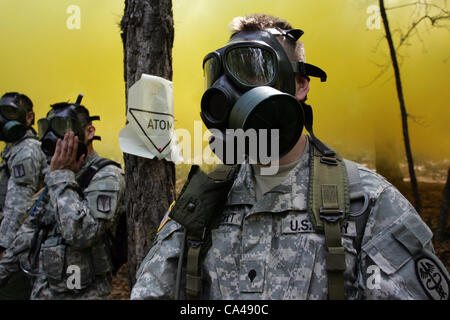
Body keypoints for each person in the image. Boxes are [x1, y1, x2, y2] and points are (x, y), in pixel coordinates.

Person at [131, 14, 449, 300]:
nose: (229, 90)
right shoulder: (201, 201)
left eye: (252, 69)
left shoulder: (367, 202)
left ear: (299, 85)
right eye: (220, 74)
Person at [0, 96, 125, 299]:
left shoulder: (106, 175)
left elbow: (82, 234)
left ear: (89, 132)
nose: (54, 137)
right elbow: (29, 231)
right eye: (46, 128)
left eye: (63, 127)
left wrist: (61, 176)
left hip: (83, 293)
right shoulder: (59, 174)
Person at [0, 92, 48, 299]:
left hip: (18, 251)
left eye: (11, 112)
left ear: (29, 117)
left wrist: (2, 247)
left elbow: (18, 206)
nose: (4, 119)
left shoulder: (26, 151)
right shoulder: (15, 149)